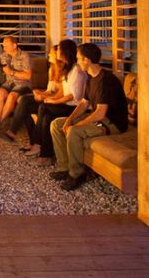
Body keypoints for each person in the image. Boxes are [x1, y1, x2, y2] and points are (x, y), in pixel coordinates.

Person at [50, 43, 129, 190]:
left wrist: (76, 125)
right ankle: (64, 167)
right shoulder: (91, 78)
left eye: (79, 59)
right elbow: (84, 103)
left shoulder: (105, 80)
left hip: (112, 123)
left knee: (74, 131)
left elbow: (100, 113)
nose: (77, 61)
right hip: (99, 118)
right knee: (57, 124)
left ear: (87, 60)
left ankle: (77, 174)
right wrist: (69, 119)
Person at [28, 39, 88, 166]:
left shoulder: (77, 70)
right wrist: (53, 99)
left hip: (75, 108)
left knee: (44, 107)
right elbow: (62, 90)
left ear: (65, 51)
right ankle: (46, 156)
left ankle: (37, 144)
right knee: (47, 118)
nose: (57, 51)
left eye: (59, 49)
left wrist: (55, 102)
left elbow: (74, 95)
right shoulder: (68, 68)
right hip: (66, 105)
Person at [0, 44, 60, 141]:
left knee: (23, 101)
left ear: (59, 55)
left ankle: (12, 132)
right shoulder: (52, 69)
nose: (48, 55)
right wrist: (40, 93)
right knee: (23, 101)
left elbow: (63, 94)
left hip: (57, 101)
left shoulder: (67, 72)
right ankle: (32, 142)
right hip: (48, 96)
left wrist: (46, 97)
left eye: (51, 53)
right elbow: (49, 90)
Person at [0, 36, 32, 130]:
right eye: (3, 45)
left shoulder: (24, 55)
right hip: (9, 83)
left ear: (14, 45)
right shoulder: (4, 55)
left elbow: (28, 76)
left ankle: (0, 124)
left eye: (6, 45)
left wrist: (11, 72)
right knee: (1, 92)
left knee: (12, 96)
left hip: (23, 84)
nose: (4, 47)